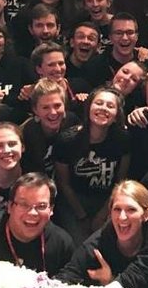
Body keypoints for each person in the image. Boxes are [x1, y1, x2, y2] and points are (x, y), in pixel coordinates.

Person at [56, 180, 148, 288]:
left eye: (131, 209)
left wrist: (111, 281)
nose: (122, 217)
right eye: (117, 209)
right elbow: (66, 277)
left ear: (146, 215)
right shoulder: (96, 244)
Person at [54, 86, 129, 243]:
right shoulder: (67, 140)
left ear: (116, 115)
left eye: (110, 106)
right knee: (80, 243)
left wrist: (103, 213)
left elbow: (120, 181)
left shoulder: (123, 140)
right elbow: (63, 183)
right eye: (99, 103)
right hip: (73, 201)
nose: (103, 108)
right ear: (89, 108)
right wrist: (82, 216)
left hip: (107, 199)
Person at [0, 172, 74, 275]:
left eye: (41, 206)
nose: (32, 213)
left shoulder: (62, 243)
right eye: (23, 204)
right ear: (9, 207)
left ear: (51, 210)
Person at [20, 78, 81, 178]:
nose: (53, 112)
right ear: (35, 110)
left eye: (57, 105)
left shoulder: (73, 122)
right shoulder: (27, 133)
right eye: (45, 107)